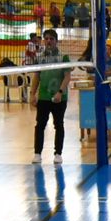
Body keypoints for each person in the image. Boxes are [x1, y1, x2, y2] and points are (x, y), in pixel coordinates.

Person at [33, 29, 73, 164]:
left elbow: (67, 76)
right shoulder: (39, 57)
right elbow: (36, 76)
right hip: (43, 97)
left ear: (56, 41)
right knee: (40, 125)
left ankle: (58, 153)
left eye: (51, 39)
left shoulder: (64, 57)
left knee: (59, 125)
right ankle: (37, 153)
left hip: (59, 97)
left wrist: (60, 92)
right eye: (47, 38)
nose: (49, 41)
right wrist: (32, 94)